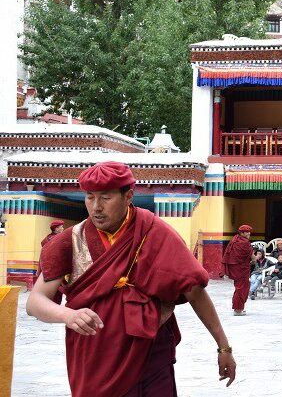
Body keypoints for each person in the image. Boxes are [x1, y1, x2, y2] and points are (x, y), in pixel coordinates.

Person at [26, 161, 236, 396]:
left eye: (105, 198)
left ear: (128, 196)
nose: (96, 207)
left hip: (150, 350)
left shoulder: (154, 232)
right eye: (89, 197)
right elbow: (35, 302)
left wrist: (223, 347)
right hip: (94, 354)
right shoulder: (70, 241)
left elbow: (194, 291)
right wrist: (68, 314)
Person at [223, 225, 254, 315]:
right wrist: (257, 257)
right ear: (242, 233)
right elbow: (253, 258)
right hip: (242, 268)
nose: (249, 234)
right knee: (242, 288)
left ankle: (238, 308)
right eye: (247, 232)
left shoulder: (235, 239)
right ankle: (238, 310)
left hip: (235, 267)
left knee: (239, 287)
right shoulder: (245, 243)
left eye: (249, 232)